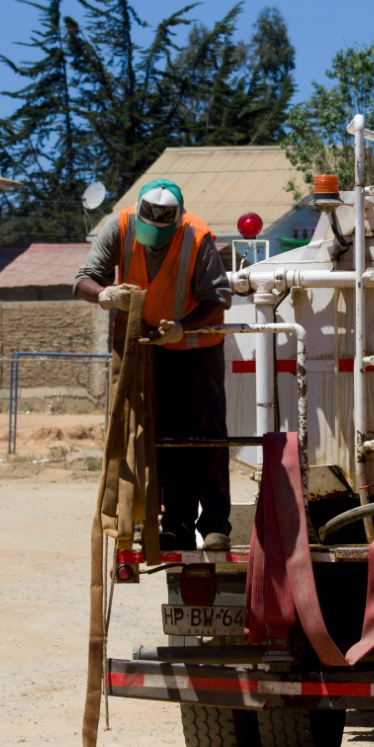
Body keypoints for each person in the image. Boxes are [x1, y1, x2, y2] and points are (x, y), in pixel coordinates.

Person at [75, 178, 232, 551]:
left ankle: (214, 525)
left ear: (177, 223)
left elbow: (218, 298)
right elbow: (84, 279)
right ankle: (175, 523)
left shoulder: (197, 235)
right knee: (164, 436)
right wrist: (104, 294)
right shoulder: (122, 225)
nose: (155, 241)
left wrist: (182, 327)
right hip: (150, 346)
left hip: (197, 346)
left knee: (206, 433)